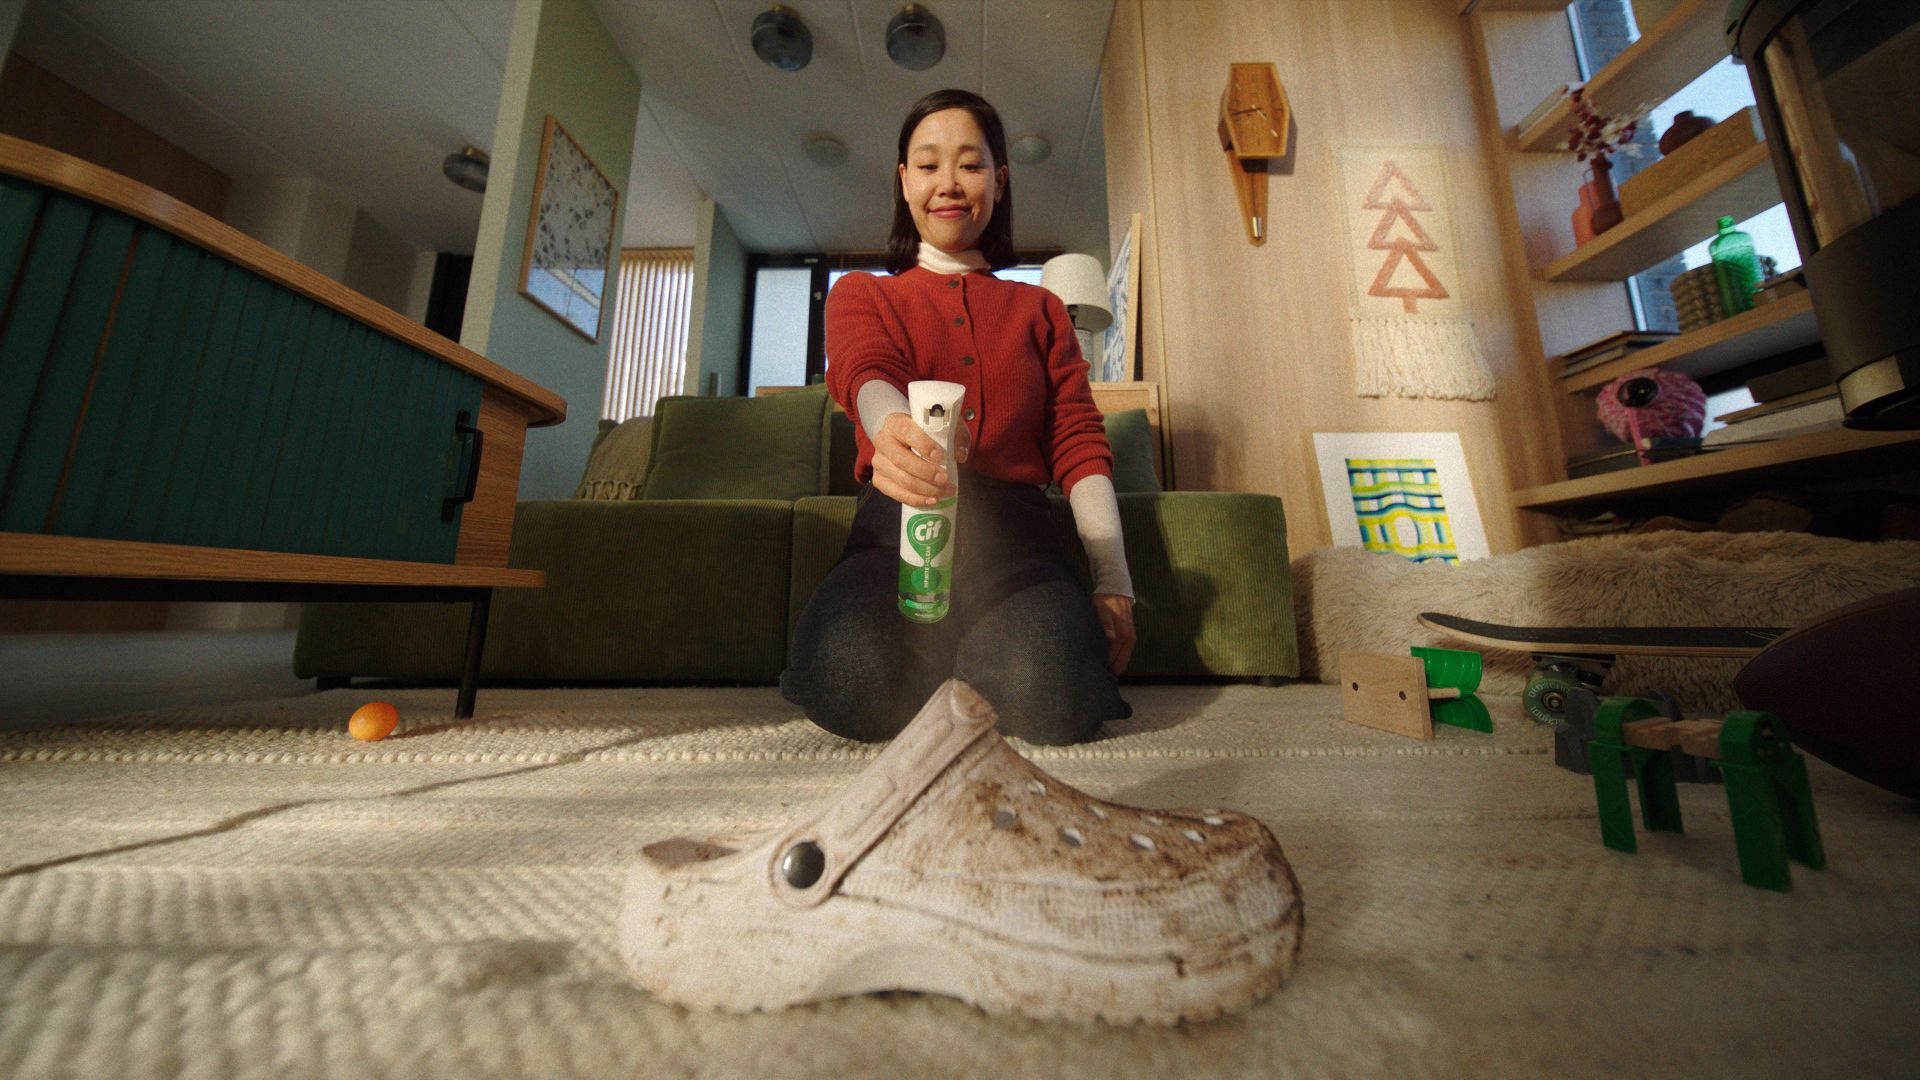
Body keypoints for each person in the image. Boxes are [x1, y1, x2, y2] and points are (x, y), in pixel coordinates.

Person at [780, 88, 1135, 746]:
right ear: (904, 181)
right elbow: (866, 372)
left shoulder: (1041, 311)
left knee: (1055, 691)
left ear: (1000, 181)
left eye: (971, 165)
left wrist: (1114, 580)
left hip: (1019, 544)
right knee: (849, 677)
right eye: (928, 165)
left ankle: (963, 659)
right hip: (893, 535)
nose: (948, 183)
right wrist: (897, 432)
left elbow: (1078, 440)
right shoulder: (863, 294)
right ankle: (953, 663)